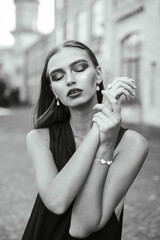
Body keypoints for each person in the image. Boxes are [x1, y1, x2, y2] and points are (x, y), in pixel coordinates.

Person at [21, 40, 149, 240]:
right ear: (54, 90)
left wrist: (106, 145)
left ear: (98, 74)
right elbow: (57, 201)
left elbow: (81, 227)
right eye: (58, 76)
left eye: (79, 68)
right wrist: (99, 129)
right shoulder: (39, 139)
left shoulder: (132, 144)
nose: (70, 80)